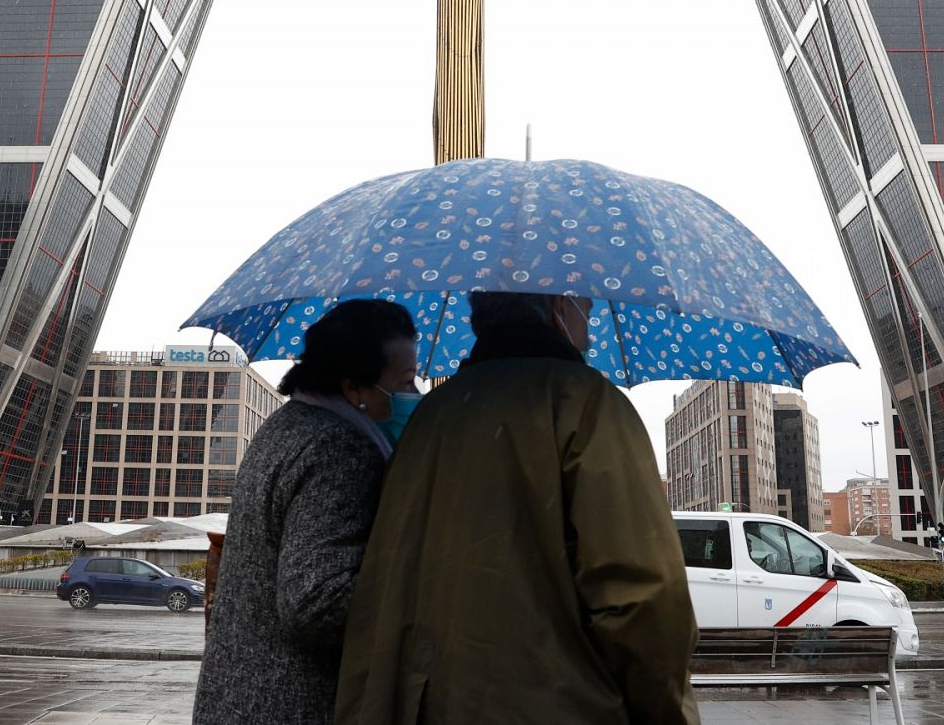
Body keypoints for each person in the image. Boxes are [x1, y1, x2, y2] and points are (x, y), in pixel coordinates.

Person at [335, 292, 699, 724]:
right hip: (556, 705)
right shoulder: (587, 403)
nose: (593, 313)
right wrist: (663, 712)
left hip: (429, 704)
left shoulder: (431, 417)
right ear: (559, 308)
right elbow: (645, 597)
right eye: (586, 302)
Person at [193, 299, 420, 725]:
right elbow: (316, 605)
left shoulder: (284, 428)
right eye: (406, 381)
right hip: (294, 704)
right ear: (355, 387)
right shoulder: (339, 450)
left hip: (238, 698)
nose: (413, 394)